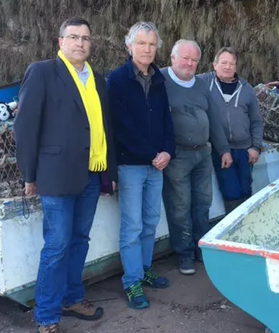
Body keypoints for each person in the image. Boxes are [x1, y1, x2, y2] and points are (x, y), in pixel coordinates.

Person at [13, 17, 117, 333]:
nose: (80, 43)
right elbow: (25, 127)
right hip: (55, 175)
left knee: (79, 239)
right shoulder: (43, 72)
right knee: (56, 245)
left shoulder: (97, 78)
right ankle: (46, 315)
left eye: (86, 38)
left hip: (90, 172)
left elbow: (104, 127)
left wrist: (108, 170)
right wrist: (29, 174)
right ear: (61, 41)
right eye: (74, 37)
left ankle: (73, 298)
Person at [106, 22, 175, 310]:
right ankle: (132, 280)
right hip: (132, 165)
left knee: (150, 221)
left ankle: (145, 268)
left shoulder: (159, 79)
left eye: (152, 44)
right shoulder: (117, 80)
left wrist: (168, 152)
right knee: (132, 225)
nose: (147, 49)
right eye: (141, 43)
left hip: (157, 164)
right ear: (129, 46)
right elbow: (122, 128)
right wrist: (152, 154)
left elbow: (166, 121)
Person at [161, 39, 232, 275]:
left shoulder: (202, 84)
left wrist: (223, 149)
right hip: (177, 156)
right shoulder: (160, 79)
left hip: (203, 153)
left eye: (194, 60)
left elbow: (213, 119)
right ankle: (184, 254)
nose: (189, 64)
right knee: (179, 206)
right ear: (172, 58)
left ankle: (200, 247)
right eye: (185, 58)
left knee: (203, 203)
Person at [197, 47, 263, 213]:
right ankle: (232, 227)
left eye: (232, 63)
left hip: (245, 149)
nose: (227, 67)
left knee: (246, 189)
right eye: (224, 63)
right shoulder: (205, 83)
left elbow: (256, 120)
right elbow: (182, 77)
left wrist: (256, 147)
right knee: (231, 192)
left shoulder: (246, 89)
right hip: (220, 149)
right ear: (214, 65)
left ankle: (248, 227)